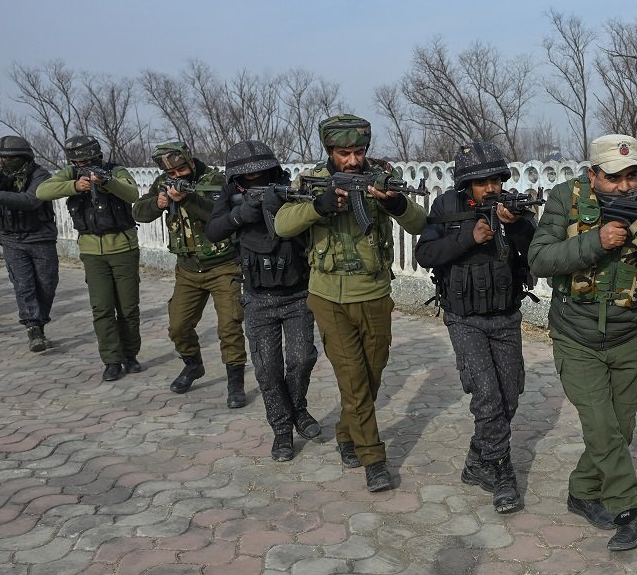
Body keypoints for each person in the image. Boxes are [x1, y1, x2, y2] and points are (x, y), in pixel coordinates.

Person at [528, 134, 637, 551]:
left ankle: (582, 492)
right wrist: (595, 242)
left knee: (620, 427)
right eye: (614, 178)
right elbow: (539, 259)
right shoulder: (565, 198)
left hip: (628, 336)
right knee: (601, 428)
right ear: (592, 174)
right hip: (576, 335)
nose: (624, 186)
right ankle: (630, 509)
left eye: (631, 176)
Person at [274, 114, 426, 492]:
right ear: (330, 151)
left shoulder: (381, 176)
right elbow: (282, 225)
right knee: (353, 379)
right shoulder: (311, 181)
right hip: (328, 296)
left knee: (371, 375)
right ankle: (373, 458)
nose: (354, 160)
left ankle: (346, 432)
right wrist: (320, 206)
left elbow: (421, 224)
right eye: (344, 154)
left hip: (374, 292)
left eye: (359, 152)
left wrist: (395, 204)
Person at [414, 141, 536, 514]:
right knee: (487, 395)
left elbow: (537, 253)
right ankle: (501, 471)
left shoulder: (513, 208)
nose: (491, 187)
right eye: (482, 182)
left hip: (505, 315)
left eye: (496, 180)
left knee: (509, 394)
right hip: (464, 318)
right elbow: (425, 254)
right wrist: (469, 238)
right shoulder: (446, 206)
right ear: (467, 184)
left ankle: (477, 458)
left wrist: (515, 226)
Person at [205, 139, 320, 461]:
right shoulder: (230, 194)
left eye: (261, 172)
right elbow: (213, 231)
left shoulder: (289, 189)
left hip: (297, 294)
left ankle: (298, 409)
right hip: (257, 298)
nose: (254, 178)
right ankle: (282, 431)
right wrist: (241, 215)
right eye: (247, 175)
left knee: (302, 359)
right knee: (268, 370)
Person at [134, 141, 247, 407]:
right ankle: (193, 364)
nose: (177, 176)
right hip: (187, 269)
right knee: (178, 326)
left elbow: (218, 215)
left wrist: (187, 198)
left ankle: (235, 383)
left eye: (181, 170)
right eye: (171, 173)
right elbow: (139, 211)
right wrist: (158, 202)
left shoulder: (215, 180)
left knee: (229, 326)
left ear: (190, 162)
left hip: (223, 266)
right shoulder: (163, 183)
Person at [37, 135, 143, 381]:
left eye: (87, 161)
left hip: (124, 249)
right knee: (102, 308)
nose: (83, 165)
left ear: (98, 157)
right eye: (78, 162)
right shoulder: (71, 174)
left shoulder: (116, 171)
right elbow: (42, 191)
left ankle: (130, 355)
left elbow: (132, 193)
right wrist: (75, 186)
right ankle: (111, 360)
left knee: (128, 308)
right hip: (92, 253)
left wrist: (106, 182)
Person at [0, 136, 59, 352]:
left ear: (24, 157)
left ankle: (40, 323)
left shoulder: (40, 175)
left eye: (10, 158)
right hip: (11, 238)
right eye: (1, 157)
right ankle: (33, 329)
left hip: (40, 237)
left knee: (47, 283)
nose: (4, 161)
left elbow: (31, 200)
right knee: (23, 285)